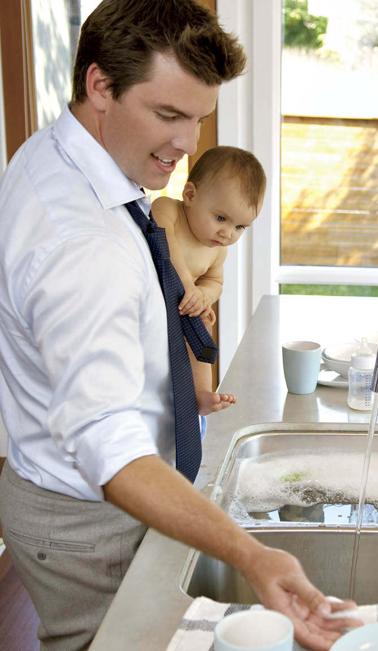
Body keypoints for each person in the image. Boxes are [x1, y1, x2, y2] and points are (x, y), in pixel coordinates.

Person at [0, 1, 358, 650]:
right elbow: (107, 443)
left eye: (197, 118)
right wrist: (252, 554)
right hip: (88, 515)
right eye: (168, 114)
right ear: (100, 85)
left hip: (73, 490)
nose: (189, 144)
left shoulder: (74, 159)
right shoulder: (81, 244)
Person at [152, 146, 266, 415]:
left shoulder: (217, 249)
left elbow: (216, 282)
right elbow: (167, 248)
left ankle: (202, 393)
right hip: (155, 301)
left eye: (239, 227)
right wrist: (188, 286)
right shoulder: (167, 210)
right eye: (221, 218)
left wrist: (203, 295)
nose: (227, 233)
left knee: (203, 328)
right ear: (190, 195)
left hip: (182, 309)